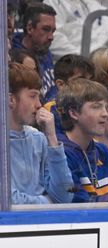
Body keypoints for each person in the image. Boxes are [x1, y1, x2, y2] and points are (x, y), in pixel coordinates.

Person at [8, 62, 73, 204]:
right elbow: (9, 201)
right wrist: (49, 203)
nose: (39, 105)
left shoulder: (38, 138)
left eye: (39, 97)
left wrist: (52, 139)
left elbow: (65, 196)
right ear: (10, 99)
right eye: (32, 96)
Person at [56, 78, 108, 202]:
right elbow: (78, 205)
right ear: (74, 113)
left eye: (105, 107)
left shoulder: (103, 152)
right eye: (96, 107)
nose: (105, 114)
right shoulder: (62, 154)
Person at [12, 2, 57, 102]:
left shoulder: (43, 48)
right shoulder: (17, 59)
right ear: (30, 28)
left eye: (53, 31)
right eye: (46, 29)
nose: (51, 37)